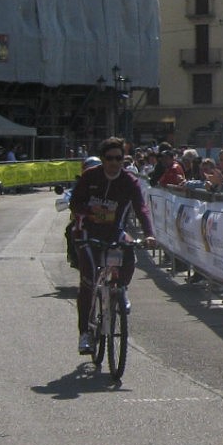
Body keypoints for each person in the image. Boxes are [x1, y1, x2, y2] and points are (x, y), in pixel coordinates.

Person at [69, 137, 158, 355]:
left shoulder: (129, 181)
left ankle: (121, 290)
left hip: (114, 232)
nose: (114, 163)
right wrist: (90, 212)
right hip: (88, 233)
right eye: (109, 158)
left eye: (119, 158)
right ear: (102, 159)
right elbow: (74, 202)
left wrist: (149, 234)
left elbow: (141, 208)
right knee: (88, 281)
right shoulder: (91, 176)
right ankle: (84, 334)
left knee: (129, 255)